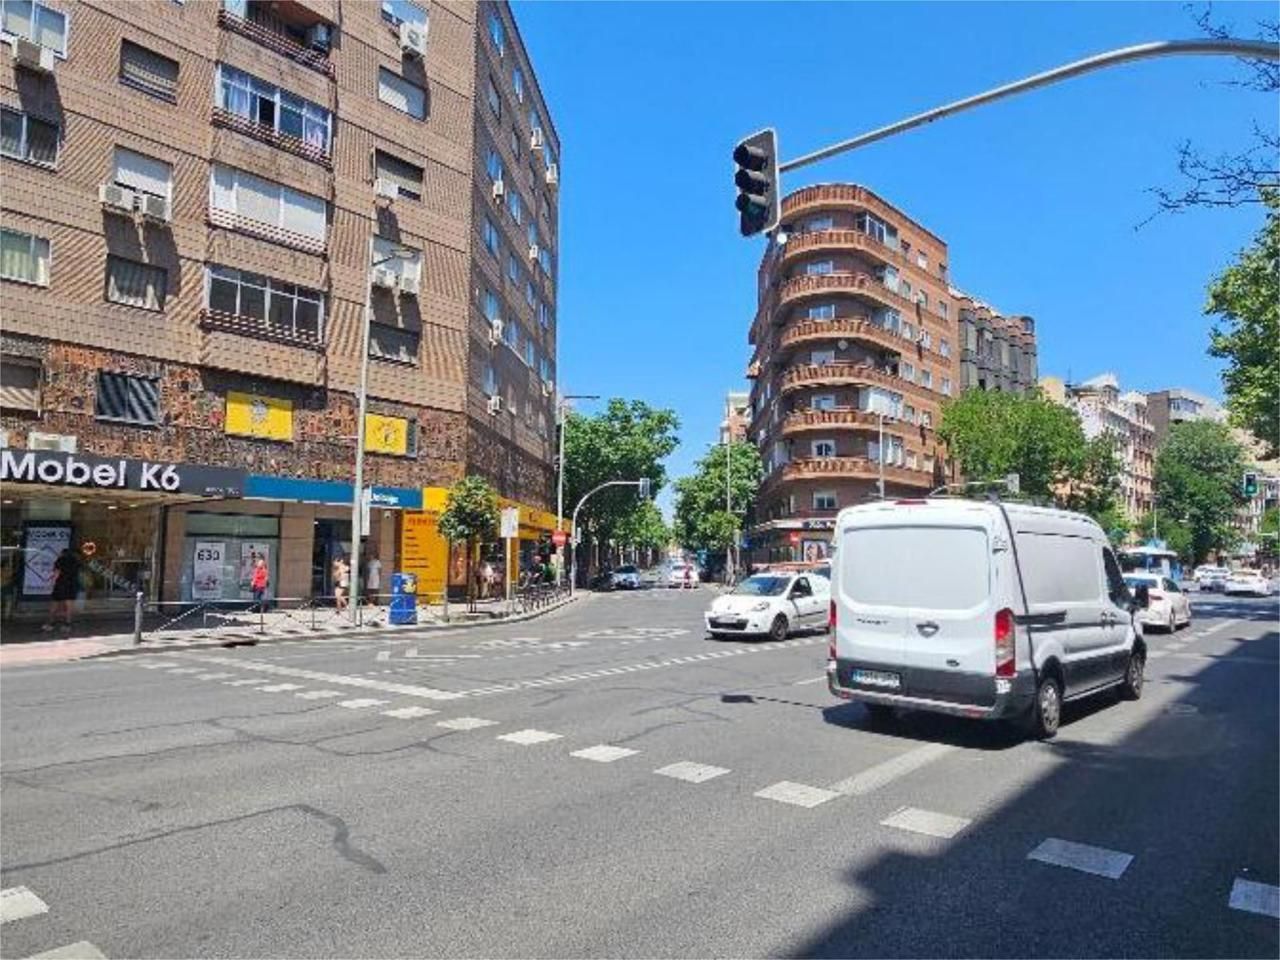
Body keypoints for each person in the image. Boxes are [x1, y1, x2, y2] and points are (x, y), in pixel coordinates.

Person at [43, 546, 80, 633]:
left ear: (62, 553)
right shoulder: (75, 561)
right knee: (69, 606)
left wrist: (52, 584)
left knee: (55, 604)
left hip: (61, 584)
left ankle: (51, 624)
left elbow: (57, 574)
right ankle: (67, 624)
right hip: (72, 585)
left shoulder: (60, 560)